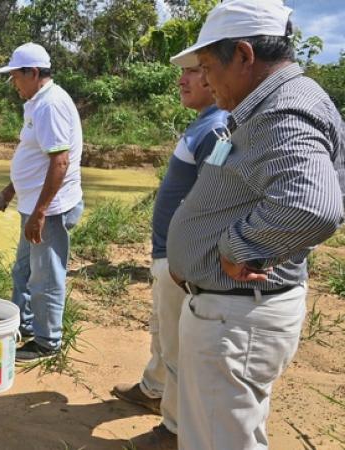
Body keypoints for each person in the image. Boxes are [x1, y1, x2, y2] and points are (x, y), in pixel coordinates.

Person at [133, 0, 345, 448]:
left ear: (245, 56)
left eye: (208, 65)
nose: (204, 78)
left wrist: (237, 246)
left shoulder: (282, 111)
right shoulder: (276, 104)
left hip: (237, 316)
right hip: (232, 312)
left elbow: (313, 205)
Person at [113, 65, 228, 448]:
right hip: (168, 255)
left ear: (216, 78)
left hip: (181, 262)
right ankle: (153, 387)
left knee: (178, 345)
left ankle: (174, 429)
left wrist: (186, 257)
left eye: (195, 72)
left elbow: (215, 203)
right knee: (162, 331)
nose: (183, 79)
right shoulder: (204, 123)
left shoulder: (216, 129)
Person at [0, 42, 84, 363]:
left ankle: (47, 342)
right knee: (24, 270)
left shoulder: (50, 106)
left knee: (45, 277)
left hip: (50, 211)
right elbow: (32, 158)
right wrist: (9, 191)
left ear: (32, 73)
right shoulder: (36, 103)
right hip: (34, 207)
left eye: (16, 76)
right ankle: (26, 326)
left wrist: (41, 212)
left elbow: (60, 162)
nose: (13, 83)